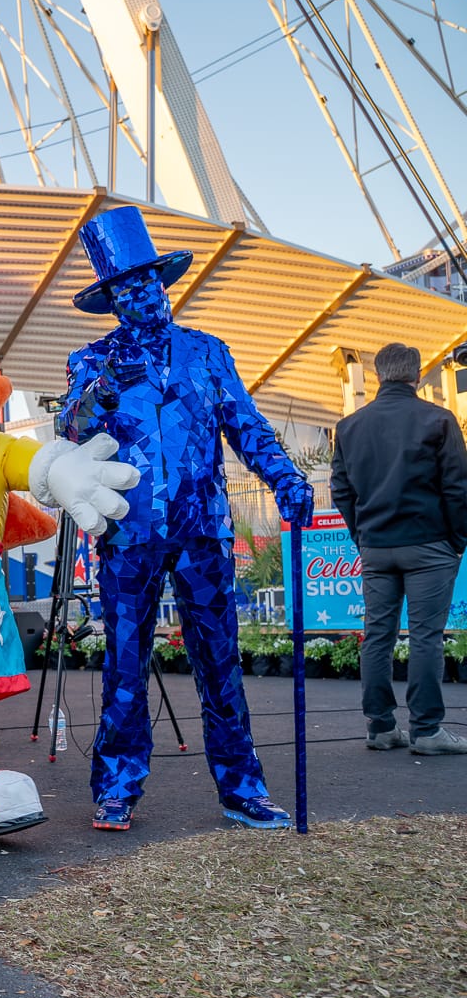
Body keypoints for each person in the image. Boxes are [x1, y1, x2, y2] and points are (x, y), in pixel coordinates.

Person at [60, 206, 315, 832]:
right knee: (124, 663)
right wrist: (97, 399)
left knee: (220, 661)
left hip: (203, 529)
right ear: (114, 300)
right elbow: (69, 430)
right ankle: (116, 784)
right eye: (127, 287)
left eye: (148, 281)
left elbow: (245, 426)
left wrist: (285, 476)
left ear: (164, 284)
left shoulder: (207, 353)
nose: (142, 294)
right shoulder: (93, 361)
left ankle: (243, 787)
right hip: (127, 532)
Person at [331, 343, 467, 755]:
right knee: (426, 636)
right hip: (429, 544)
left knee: (377, 636)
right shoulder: (439, 420)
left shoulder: (350, 426)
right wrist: (457, 539)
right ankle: (427, 731)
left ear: (377, 375)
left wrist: (362, 534)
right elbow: (458, 488)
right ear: (418, 376)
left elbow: (341, 490)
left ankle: (381, 727)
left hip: (375, 545)